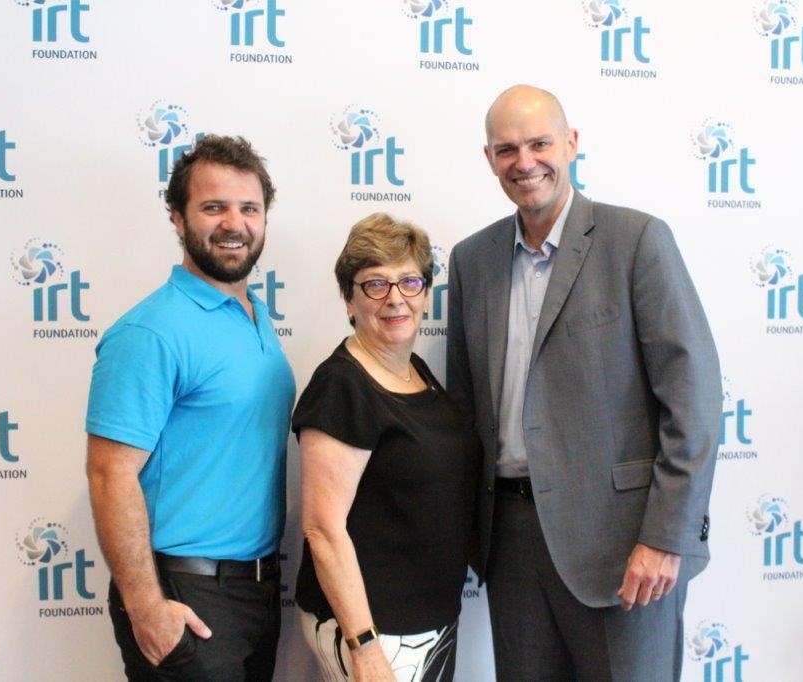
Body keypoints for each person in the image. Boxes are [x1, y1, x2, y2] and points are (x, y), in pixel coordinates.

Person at [445, 84, 722, 680]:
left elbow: (693, 400)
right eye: (507, 148)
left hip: (624, 548)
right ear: (489, 158)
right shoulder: (471, 261)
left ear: (571, 143)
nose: (525, 162)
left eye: (540, 142)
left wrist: (665, 536)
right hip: (511, 544)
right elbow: (465, 409)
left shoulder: (638, 242)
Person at [85, 134, 295, 681]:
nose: (234, 223)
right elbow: (110, 473)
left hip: (257, 591)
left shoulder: (256, 316)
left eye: (249, 208)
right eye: (213, 207)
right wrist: (146, 606)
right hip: (185, 596)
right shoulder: (149, 331)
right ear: (177, 218)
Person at [294, 213, 480, 681]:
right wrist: (364, 648)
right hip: (373, 631)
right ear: (349, 300)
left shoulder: (414, 368)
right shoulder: (341, 385)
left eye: (409, 281)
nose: (395, 298)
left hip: (427, 623)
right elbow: (322, 529)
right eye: (375, 284)